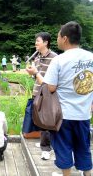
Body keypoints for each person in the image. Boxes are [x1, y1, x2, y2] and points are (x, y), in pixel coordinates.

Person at [43, 21, 93, 176]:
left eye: (58, 36)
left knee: (63, 148)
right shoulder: (91, 57)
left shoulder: (58, 60)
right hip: (83, 114)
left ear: (64, 38)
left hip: (63, 115)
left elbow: (50, 87)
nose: (56, 39)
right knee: (83, 148)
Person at [25, 32, 57, 160]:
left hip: (48, 93)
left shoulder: (55, 58)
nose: (35, 44)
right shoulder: (37, 58)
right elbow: (36, 76)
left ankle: (46, 148)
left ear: (45, 42)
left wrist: (35, 73)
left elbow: (54, 78)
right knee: (40, 120)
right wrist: (31, 73)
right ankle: (46, 143)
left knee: (47, 121)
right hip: (37, 92)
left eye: (38, 41)